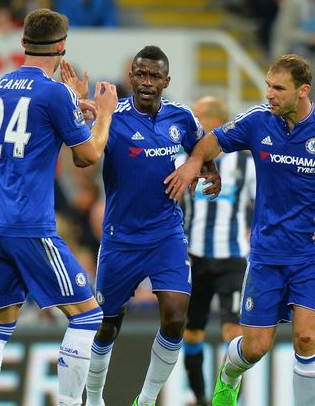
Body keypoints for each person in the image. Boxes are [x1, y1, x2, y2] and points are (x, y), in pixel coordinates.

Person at [165, 53, 315, 406]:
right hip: (266, 254)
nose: (270, 94)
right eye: (268, 86)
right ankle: (229, 374)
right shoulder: (258, 121)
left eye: (278, 88)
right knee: (256, 348)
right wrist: (202, 163)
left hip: (313, 253)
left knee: (306, 339)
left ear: (303, 90)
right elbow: (212, 140)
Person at [0, 8, 118, 406]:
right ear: (62, 46)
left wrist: (75, 107)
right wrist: (102, 115)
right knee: (87, 316)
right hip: (29, 225)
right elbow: (87, 156)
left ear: (23, 43)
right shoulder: (54, 92)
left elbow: (40, 122)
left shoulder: (1, 85)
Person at [64, 46, 218, 406]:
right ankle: (96, 397)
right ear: (131, 78)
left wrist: (207, 170)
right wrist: (77, 106)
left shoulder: (182, 118)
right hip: (121, 239)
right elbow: (82, 157)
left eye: (154, 76)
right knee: (106, 326)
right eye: (141, 75)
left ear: (166, 81)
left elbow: (203, 149)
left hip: (166, 234)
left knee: (177, 315)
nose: (147, 82)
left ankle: (146, 400)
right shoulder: (111, 117)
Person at [179, 97, 255, 406]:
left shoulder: (244, 165)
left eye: (199, 118)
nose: (193, 125)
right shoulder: (186, 160)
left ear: (215, 122)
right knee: (192, 332)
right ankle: (199, 397)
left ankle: (227, 399)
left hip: (232, 258)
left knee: (234, 334)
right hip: (195, 257)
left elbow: (259, 204)